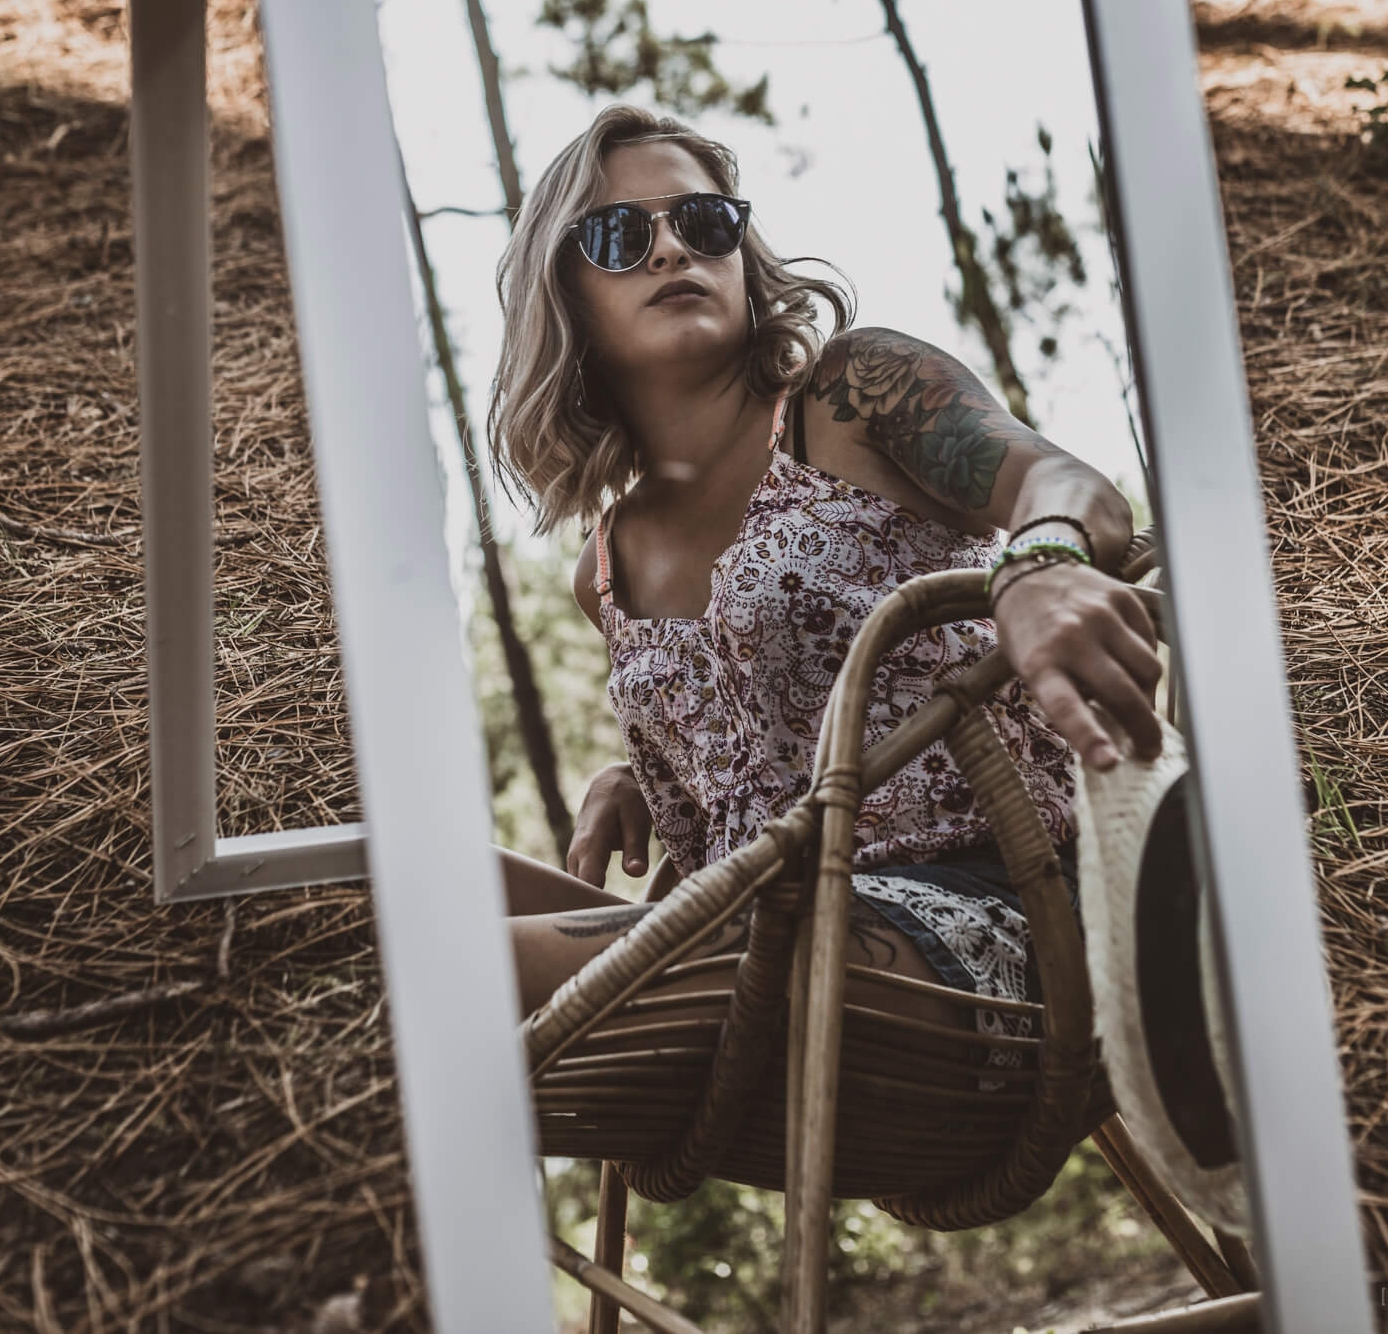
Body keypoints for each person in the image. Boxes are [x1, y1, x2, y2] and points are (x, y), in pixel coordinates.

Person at [483, 104, 1164, 1090]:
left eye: (703, 221)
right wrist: (648, 760)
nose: (671, 246)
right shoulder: (604, 565)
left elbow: (1066, 490)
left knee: (480, 967)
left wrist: (1040, 565)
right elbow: (762, 708)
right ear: (567, 297)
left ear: (741, 253)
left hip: (1003, 931)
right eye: (619, 236)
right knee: (380, 886)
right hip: (755, 949)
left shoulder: (851, 395)